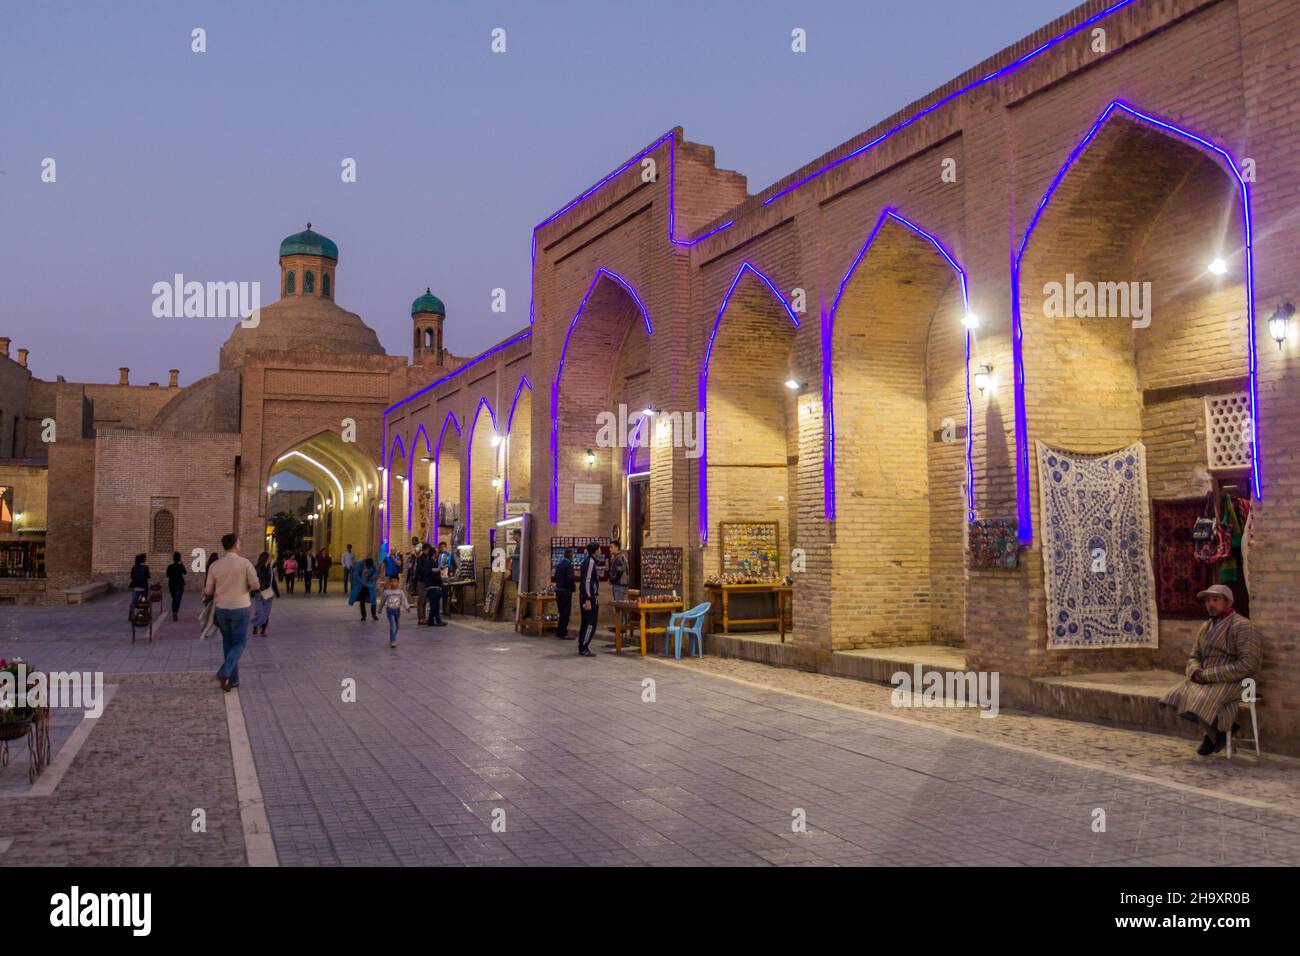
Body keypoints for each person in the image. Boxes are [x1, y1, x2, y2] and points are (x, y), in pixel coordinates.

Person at [1159, 584, 1262, 756]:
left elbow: (1247, 665)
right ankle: (1217, 731)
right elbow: (1194, 655)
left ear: (1228, 602)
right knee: (1175, 696)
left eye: (1215, 600)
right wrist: (1195, 671)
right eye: (1207, 601)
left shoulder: (1243, 626)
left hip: (1238, 681)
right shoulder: (1205, 627)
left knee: (1200, 699)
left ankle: (1212, 735)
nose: (1210, 605)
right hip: (1207, 679)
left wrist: (1208, 675)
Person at [203, 533, 260, 692]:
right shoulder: (245, 563)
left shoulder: (215, 565)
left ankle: (233, 680)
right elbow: (255, 586)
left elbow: (208, 590)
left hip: (222, 609)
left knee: (228, 643)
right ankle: (225, 671)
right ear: (236, 544)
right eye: (239, 542)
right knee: (240, 643)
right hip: (240, 608)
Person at [577, 542, 600, 657]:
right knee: (590, 623)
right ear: (595, 550)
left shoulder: (590, 562)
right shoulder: (590, 562)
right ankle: (584, 647)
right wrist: (587, 599)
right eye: (599, 548)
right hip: (589, 598)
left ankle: (582, 645)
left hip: (589, 597)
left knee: (586, 622)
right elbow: (587, 581)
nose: (600, 550)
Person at [417, 544, 446, 627]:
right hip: (433, 586)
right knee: (434, 604)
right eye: (436, 552)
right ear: (434, 554)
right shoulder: (430, 562)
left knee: (435, 604)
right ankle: (431, 620)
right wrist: (440, 581)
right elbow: (433, 573)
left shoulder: (431, 562)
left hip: (432, 585)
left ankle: (437, 620)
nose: (438, 554)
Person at [252, 551, 279, 636]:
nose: (271, 559)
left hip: (269, 593)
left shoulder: (270, 569)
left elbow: (273, 581)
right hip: (259, 593)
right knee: (260, 612)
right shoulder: (257, 568)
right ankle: (255, 624)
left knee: (266, 612)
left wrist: (277, 592)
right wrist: (254, 591)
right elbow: (253, 581)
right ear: (266, 558)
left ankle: (263, 630)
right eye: (270, 557)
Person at [380, 575, 411, 648]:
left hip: (397, 611)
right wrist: (380, 609)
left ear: (398, 582)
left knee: (397, 627)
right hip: (390, 611)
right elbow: (382, 601)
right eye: (391, 581)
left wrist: (407, 607)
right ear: (389, 582)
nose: (393, 583)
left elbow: (404, 601)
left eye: (395, 581)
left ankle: (391, 639)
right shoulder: (386, 592)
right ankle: (393, 641)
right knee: (393, 625)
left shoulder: (400, 592)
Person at [553, 548, 575, 640]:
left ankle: (559, 632)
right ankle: (563, 633)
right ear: (570, 555)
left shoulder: (559, 564)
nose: (573, 557)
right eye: (572, 555)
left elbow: (555, 576)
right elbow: (570, 578)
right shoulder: (568, 565)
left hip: (558, 590)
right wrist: (573, 588)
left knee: (561, 612)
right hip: (565, 591)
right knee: (566, 613)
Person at [349, 557, 380, 621]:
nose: (368, 568)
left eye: (369, 567)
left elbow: (376, 571)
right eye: (367, 567)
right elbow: (356, 575)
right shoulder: (359, 565)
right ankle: (363, 616)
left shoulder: (373, 565)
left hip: (370, 585)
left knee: (373, 600)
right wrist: (362, 581)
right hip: (361, 586)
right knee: (362, 601)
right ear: (365, 564)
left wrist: (374, 576)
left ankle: (374, 615)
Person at [165, 551, 187, 621]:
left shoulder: (170, 566)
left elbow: (167, 575)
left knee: (174, 599)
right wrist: (182, 564)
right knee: (178, 600)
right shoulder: (180, 566)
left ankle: (174, 612)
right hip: (179, 584)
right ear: (179, 558)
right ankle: (175, 612)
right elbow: (185, 572)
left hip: (172, 584)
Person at [128, 553, 150, 621]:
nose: (146, 559)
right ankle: (144, 615)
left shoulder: (134, 567)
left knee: (133, 602)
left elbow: (132, 576)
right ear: (143, 560)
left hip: (135, 588)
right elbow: (148, 577)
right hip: (144, 588)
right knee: (144, 603)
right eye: (145, 558)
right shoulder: (146, 567)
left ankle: (131, 616)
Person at [609, 540, 630, 604]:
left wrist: (612, 580)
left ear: (617, 547)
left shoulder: (620, 557)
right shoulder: (616, 557)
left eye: (611, 547)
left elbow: (619, 572)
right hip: (617, 584)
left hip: (620, 585)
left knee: (620, 606)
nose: (610, 549)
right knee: (619, 606)